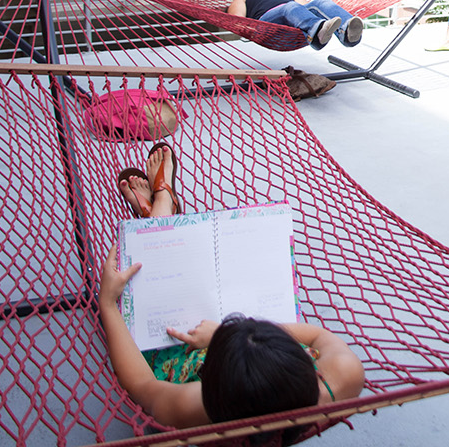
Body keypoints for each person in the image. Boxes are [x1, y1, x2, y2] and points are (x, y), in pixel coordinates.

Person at [102, 143, 365, 437]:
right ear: (310, 367)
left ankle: (160, 209)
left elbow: (142, 386)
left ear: (209, 387)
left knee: (156, 300)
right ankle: (160, 212)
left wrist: (108, 304)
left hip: (185, 346)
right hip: (245, 362)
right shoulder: (342, 376)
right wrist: (228, 336)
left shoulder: (192, 408)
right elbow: (317, 335)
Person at [227, 0, 363, 49]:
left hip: (292, 18)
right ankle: (315, 33)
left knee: (320, 1)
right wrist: (252, 33)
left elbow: (307, 8)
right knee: (289, 6)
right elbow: (237, 21)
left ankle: (347, 32)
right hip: (265, 25)